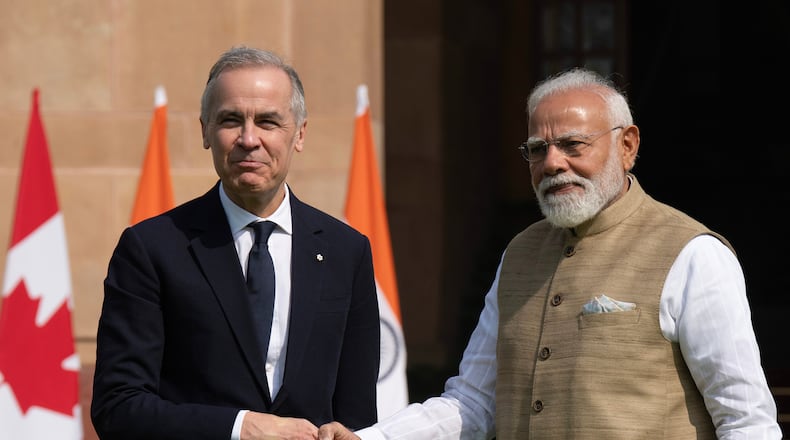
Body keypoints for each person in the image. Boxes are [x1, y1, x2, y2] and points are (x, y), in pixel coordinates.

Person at [318, 67, 783, 439]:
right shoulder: (519, 253)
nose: (553, 163)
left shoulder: (692, 254)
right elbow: (474, 402)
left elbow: (746, 421)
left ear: (628, 146)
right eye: (537, 149)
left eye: (573, 144)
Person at [91, 46, 381, 440]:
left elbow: (359, 415)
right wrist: (239, 427)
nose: (249, 138)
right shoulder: (151, 248)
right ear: (205, 131)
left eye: (268, 121)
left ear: (299, 134)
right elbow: (118, 407)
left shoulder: (347, 251)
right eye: (231, 120)